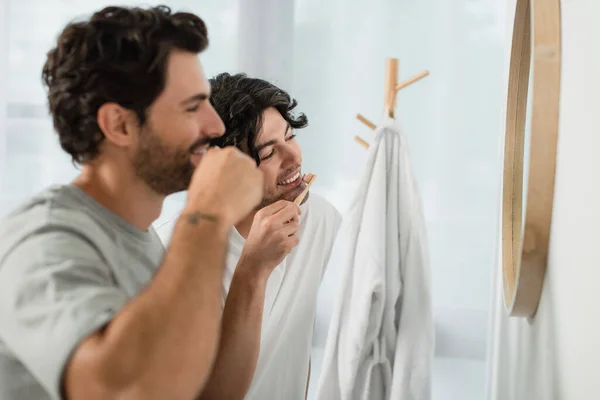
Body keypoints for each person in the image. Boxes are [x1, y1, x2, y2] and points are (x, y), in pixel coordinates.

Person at [0, 6, 264, 400]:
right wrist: (208, 212)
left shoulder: (144, 240)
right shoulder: (42, 239)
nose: (217, 126)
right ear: (120, 125)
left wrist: (254, 269)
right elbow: (125, 390)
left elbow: (207, 392)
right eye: (192, 107)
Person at [158, 73, 342, 400]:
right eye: (269, 153)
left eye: (291, 136)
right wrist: (254, 267)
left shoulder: (320, 218)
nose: (295, 157)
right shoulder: (164, 252)